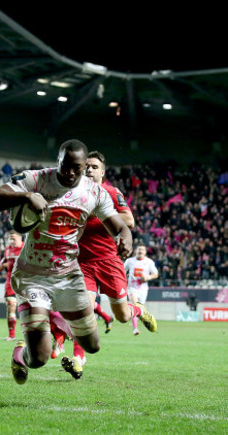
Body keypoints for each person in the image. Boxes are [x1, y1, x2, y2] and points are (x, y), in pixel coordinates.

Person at [0, 139, 133, 385]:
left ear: (84, 167)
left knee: (92, 346)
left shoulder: (94, 192)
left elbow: (119, 226)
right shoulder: (37, 179)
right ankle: (21, 352)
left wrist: (125, 237)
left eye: (77, 168)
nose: (70, 172)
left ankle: (51, 334)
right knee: (39, 358)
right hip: (32, 274)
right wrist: (27, 196)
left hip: (68, 275)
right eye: (65, 165)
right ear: (57, 161)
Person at [70, 151, 157, 377]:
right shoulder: (73, 194)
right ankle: (79, 358)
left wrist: (97, 216)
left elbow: (129, 220)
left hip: (109, 261)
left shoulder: (111, 192)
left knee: (122, 316)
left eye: (94, 166)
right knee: (83, 311)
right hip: (83, 263)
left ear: (102, 172)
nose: (89, 169)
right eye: (86, 166)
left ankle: (137, 309)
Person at [124, 243, 159, 335]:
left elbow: (156, 274)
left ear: (145, 252)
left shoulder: (149, 262)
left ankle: (142, 322)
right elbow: (122, 272)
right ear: (136, 251)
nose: (140, 251)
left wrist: (148, 277)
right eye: (139, 249)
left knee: (140, 309)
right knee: (135, 304)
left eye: (142, 250)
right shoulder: (129, 261)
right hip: (132, 288)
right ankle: (135, 328)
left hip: (143, 289)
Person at [0, 231, 23, 340]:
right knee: (11, 306)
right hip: (10, 280)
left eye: (14, 239)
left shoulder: (25, 248)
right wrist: (1, 265)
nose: (12, 241)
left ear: (20, 239)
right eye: (10, 239)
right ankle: (11, 335)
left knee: (30, 309)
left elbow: (23, 263)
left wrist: (7, 264)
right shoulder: (8, 249)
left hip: (24, 280)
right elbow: (5, 260)